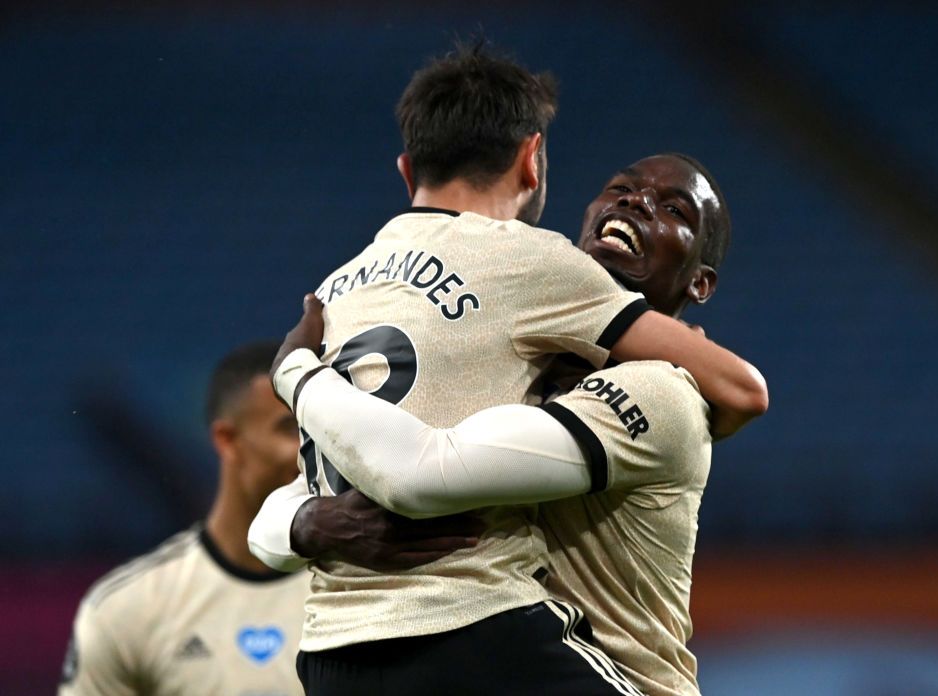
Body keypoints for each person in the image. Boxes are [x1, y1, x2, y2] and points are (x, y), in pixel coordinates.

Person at [252, 42, 766, 694]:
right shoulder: (505, 332)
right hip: (484, 645)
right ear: (533, 161)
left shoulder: (658, 388)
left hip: (584, 668)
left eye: (674, 210)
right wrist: (305, 521)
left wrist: (297, 372)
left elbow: (419, 470)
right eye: (622, 190)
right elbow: (310, 493)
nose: (638, 204)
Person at [56, 342, 458, 696]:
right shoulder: (126, 609)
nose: (310, 450)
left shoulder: (370, 592)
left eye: (318, 430)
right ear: (227, 440)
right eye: (290, 430)